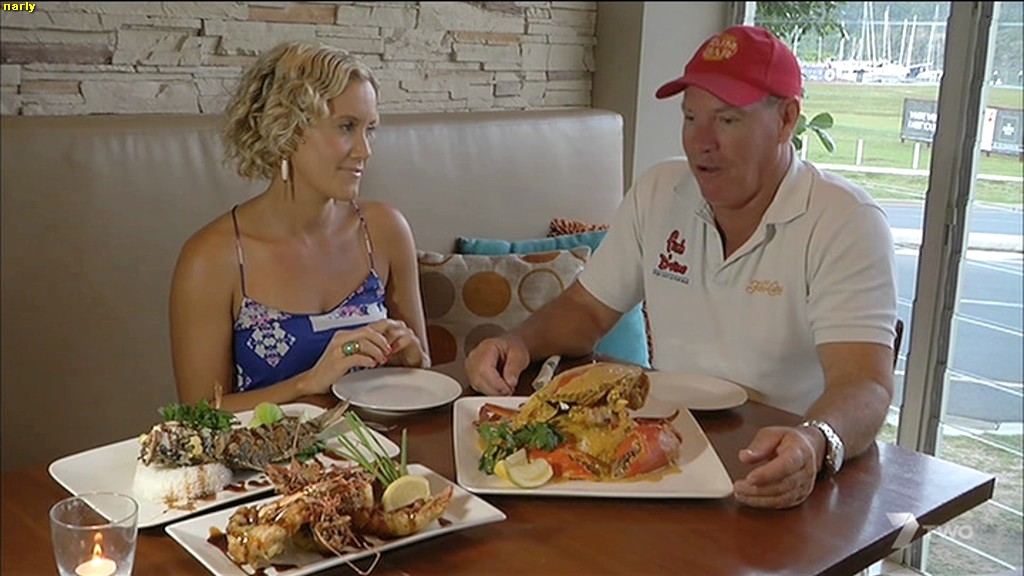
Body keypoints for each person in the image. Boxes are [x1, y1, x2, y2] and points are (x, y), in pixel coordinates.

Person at [465, 25, 897, 509]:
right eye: (691, 117)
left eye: (727, 120)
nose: (701, 142)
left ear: (786, 120)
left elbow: (864, 382)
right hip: (663, 459)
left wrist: (816, 441)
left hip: (780, 472)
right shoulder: (658, 190)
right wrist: (518, 342)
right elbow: (586, 310)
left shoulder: (846, 221)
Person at [170, 41, 429, 413]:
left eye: (369, 129)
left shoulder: (385, 231)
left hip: (381, 446)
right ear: (286, 130)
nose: (365, 150)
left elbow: (422, 378)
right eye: (346, 127)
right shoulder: (212, 258)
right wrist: (306, 384)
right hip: (266, 452)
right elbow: (197, 416)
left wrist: (413, 359)